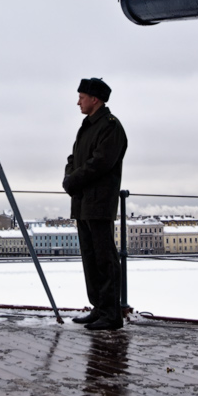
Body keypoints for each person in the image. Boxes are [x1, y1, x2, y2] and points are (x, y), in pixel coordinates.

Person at [63, 77, 128, 330]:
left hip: (99, 202)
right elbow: (74, 157)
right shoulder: (87, 126)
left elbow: (100, 162)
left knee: (105, 258)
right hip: (82, 203)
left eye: (81, 96)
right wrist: (70, 177)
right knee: (90, 259)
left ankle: (112, 314)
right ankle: (99, 308)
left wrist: (73, 180)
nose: (78, 101)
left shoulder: (110, 127)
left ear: (95, 99)